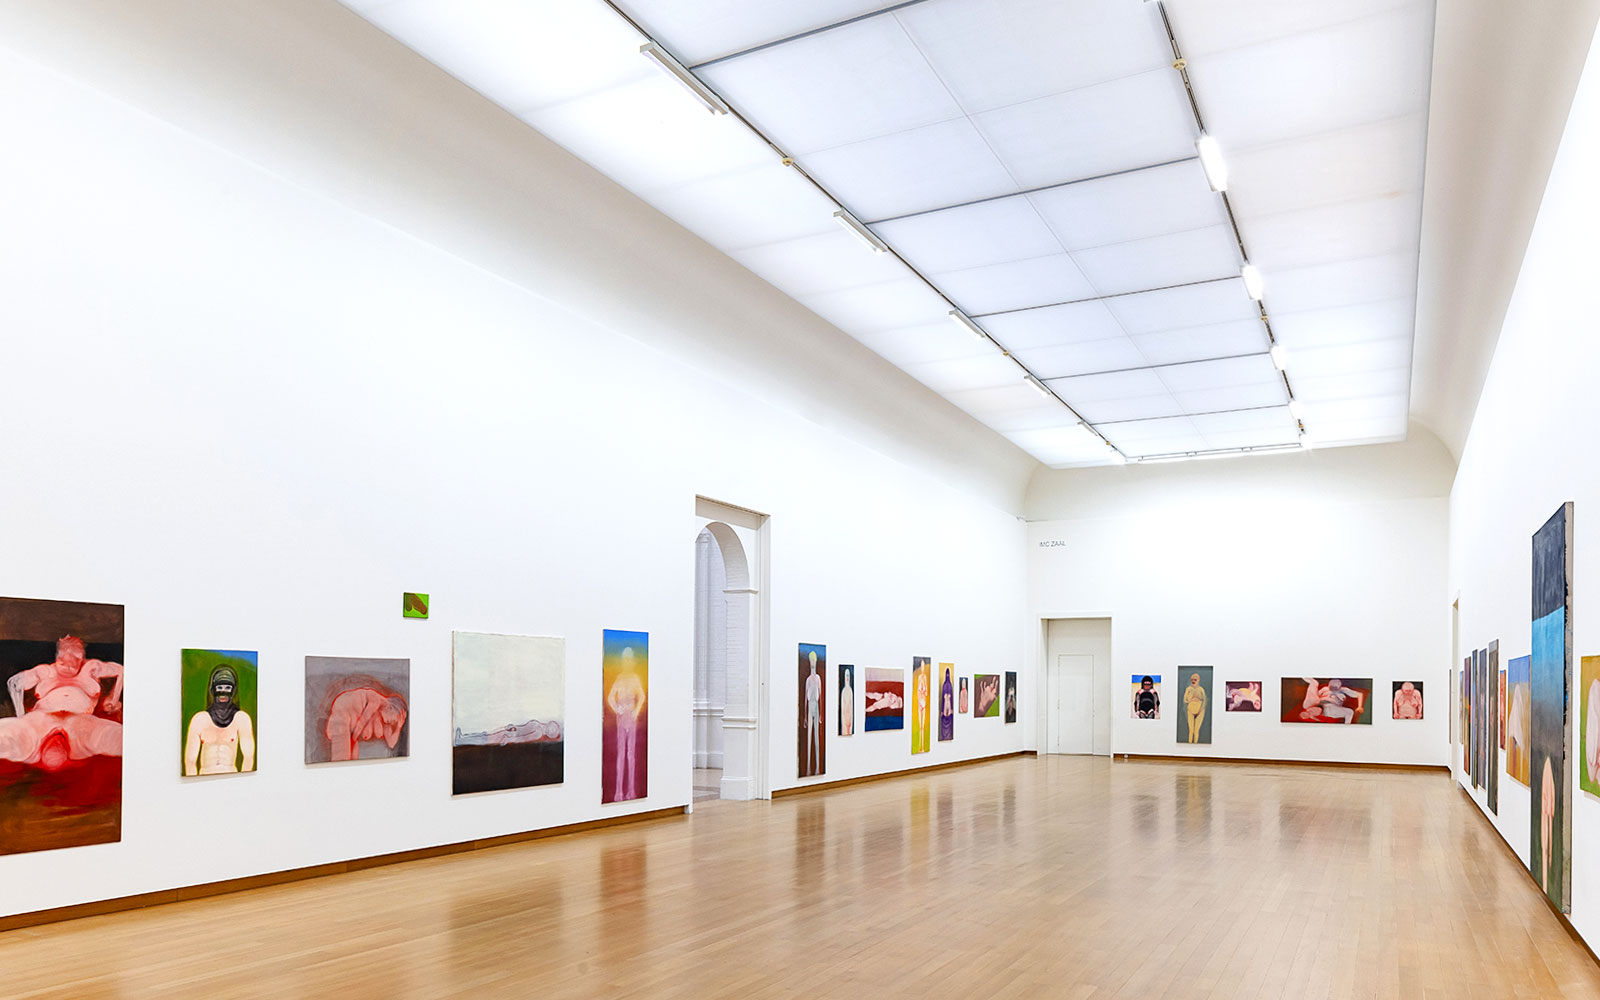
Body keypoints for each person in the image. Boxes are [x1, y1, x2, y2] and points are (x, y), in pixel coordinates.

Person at [0, 636, 123, 771]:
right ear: (58, 657)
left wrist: (113, 698)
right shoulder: (45, 671)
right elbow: (14, 683)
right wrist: (20, 716)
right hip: (41, 720)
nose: (68, 667)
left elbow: (121, 670)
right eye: (63, 662)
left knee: (120, 739)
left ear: (81, 658)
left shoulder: (91, 668)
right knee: (5, 739)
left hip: (80, 722)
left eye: (73, 662)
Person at [184, 664, 255, 774]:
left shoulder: (241, 719)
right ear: (213, 690)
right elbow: (190, 761)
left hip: (231, 778)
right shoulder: (199, 720)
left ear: (233, 690)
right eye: (219, 687)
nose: (223, 692)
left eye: (227, 688)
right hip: (203, 779)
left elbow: (249, 757)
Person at [325, 687, 406, 762]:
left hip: (351, 728)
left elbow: (391, 744)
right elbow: (361, 723)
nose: (391, 723)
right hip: (343, 711)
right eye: (394, 720)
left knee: (353, 758)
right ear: (390, 708)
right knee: (342, 757)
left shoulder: (384, 718)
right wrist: (351, 742)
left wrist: (399, 726)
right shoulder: (376, 700)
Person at [607, 645, 647, 797]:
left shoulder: (635, 678)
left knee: (631, 755)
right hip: (621, 718)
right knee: (621, 755)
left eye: (629, 659)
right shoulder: (620, 678)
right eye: (625, 659)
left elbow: (642, 696)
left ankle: (631, 791)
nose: (627, 662)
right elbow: (610, 697)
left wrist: (636, 711)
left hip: (631, 718)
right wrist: (617, 709)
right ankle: (619, 791)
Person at [803, 650, 822, 773]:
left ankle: (817, 767)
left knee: (816, 739)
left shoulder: (818, 678)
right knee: (809, 737)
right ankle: (809, 768)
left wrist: (820, 714)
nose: (813, 663)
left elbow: (820, 695)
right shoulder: (808, 679)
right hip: (810, 706)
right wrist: (805, 716)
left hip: (816, 706)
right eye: (811, 661)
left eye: (814, 660)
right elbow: (805, 698)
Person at [1184, 673, 1206, 743]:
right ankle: (1190, 744)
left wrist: (1200, 710)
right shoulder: (1188, 689)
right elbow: (1185, 700)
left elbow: (1204, 701)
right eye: (1192, 680)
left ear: (1198, 680)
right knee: (1191, 730)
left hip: (1200, 711)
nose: (1193, 681)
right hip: (1190, 710)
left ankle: (1196, 745)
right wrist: (1190, 698)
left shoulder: (1201, 689)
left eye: (1195, 680)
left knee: (1196, 731)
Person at [939, 666, 954, 740]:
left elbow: (951, 697)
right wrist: (942, 710)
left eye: (948, 675)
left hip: (949, 704)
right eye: (946, 674)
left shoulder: (950, 685)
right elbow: (942, 697)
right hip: (945, 705)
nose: (947, 676)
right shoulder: (944, 685)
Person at [839, 667, 854, 737]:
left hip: (849, 715)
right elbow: (843, 707)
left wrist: (850, 718)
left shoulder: (850, 691)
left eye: (848, 676)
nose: (847, 678)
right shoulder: (844, 691)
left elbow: (851, 706)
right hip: (845, 715)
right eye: (846, 676)